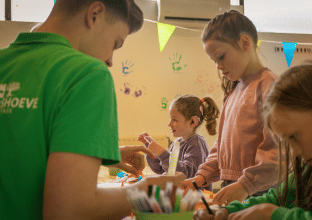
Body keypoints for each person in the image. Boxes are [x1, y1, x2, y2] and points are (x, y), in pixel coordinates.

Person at [0, 1, 185, 219]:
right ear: (94, 14)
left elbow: (19, 147)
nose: (110, 61)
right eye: (116, 44)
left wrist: (103, 155)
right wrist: (148, 191)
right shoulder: (86, 73)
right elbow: (70, 211)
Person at [194, 61, 312, 220]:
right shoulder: (309, 168)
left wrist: (268, 214)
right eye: (287, 141)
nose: (293, 151)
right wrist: (229, 210)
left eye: (294, 136)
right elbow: (278, 198)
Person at [181, 10, 279, 206]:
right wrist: (201, 177)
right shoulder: (233, 93)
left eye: (221, 56)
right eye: (214, 61)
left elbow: (276, 150)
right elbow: (222, 145)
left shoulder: (270, 86)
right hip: (239, 186)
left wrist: (246, 185)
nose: (218, 66)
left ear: (244, 43)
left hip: (262, 191)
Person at [138, 94, 220, 191]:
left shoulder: (197, 143)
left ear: (192, 122)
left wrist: (162, 153)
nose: (169, 124)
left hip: (196, 198)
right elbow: (161, 170)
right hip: (179, 195)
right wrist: (150, 147)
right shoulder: (176, 143)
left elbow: (186, 174)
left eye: (174, 120)